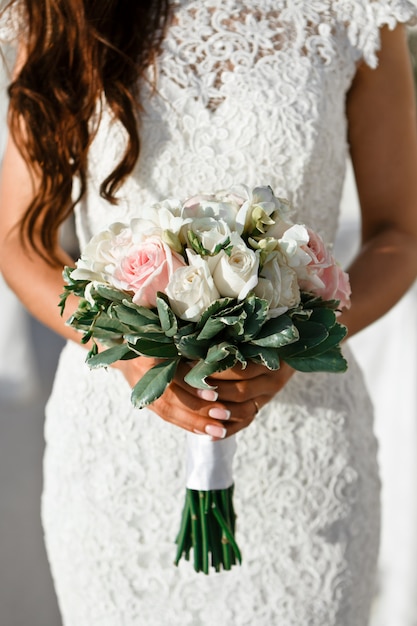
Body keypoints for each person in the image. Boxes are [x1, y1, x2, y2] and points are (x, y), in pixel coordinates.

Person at [1, 1, 417, 624]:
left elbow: (400, 231)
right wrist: (123, 346)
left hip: (307, 450)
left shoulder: (354, 11)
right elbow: (20, 238)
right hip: (118, 452)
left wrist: (300, 340)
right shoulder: (63, 10)